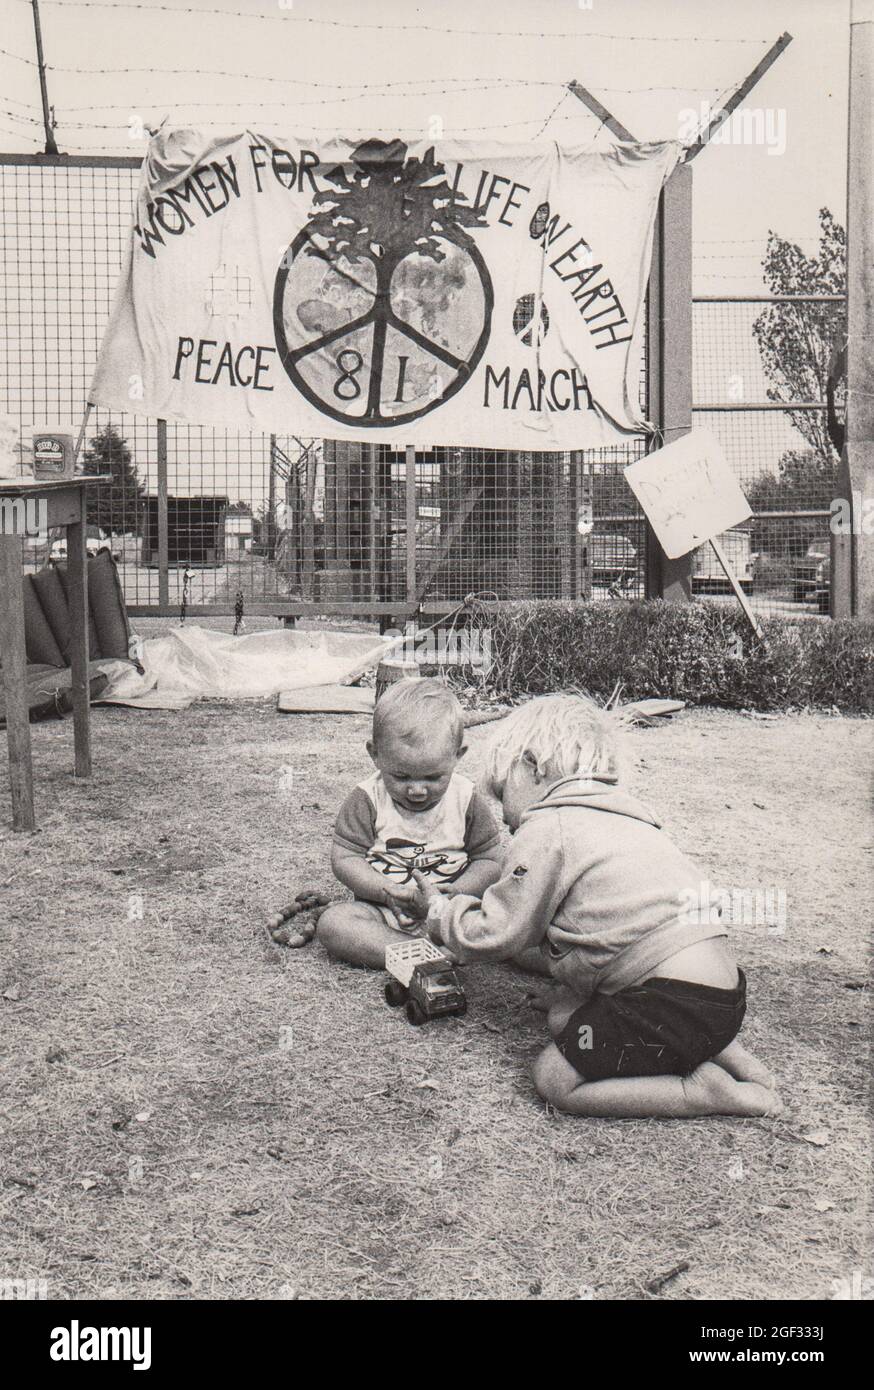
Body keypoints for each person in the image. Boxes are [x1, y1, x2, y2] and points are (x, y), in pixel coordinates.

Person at [405, 694, 782, 1119]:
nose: (506, 817)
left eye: (502, 792)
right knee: (566, 1017)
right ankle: (730, 1055)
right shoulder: (634, 819)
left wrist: (440, 912)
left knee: (554, 1078)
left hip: (665, 1003)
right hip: (721, 1001)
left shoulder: (550, 826)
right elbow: (613, 929)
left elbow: (500, 931)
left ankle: (701, 1092)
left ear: (533, 766)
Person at [317, 678, 502, 968]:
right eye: (401, 777)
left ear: (458, 756)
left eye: (432, 777)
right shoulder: (367, 799)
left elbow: (490, 861)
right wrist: (385, 890)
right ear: (375, 755)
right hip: (386, 913)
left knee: (518, 922)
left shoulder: (466, 798)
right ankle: (421, 953)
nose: (417, 790)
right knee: (334, 923)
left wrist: (455, 892)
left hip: (455, 910)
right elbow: (345, 858)